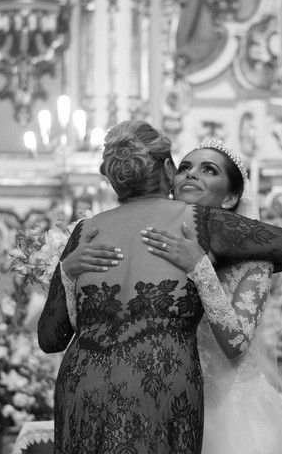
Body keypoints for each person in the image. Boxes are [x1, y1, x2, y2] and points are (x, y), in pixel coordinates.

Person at [65, 139, 282, 454]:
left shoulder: (254, 260)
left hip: (228, 416)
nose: (191, 175)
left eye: (209, 170)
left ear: (232, 196)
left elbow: (235, 345)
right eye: (184, 168)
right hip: (154, 403)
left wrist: (200, 267)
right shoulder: (155, 243)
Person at [45, 121, 206, 454]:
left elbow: (49, 338)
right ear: (167, 167)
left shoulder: (87, 230)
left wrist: (66, 272)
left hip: (82, 387)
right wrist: (204, 265)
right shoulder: (197, 220)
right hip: (159, 388)